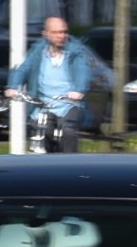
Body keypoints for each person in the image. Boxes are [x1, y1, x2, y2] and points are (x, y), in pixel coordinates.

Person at [6, 14, 90, 152]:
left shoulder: (75, 51)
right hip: (44, 103)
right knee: (42, 131)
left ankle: (72, 164)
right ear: (46, 34)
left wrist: (79, 90)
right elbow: (23, 69)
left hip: (68, 103)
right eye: (56, 32)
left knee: (68, 132)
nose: (61, 36)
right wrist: (13, 87)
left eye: (64, 32)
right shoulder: (39, 51)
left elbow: (82, 71)